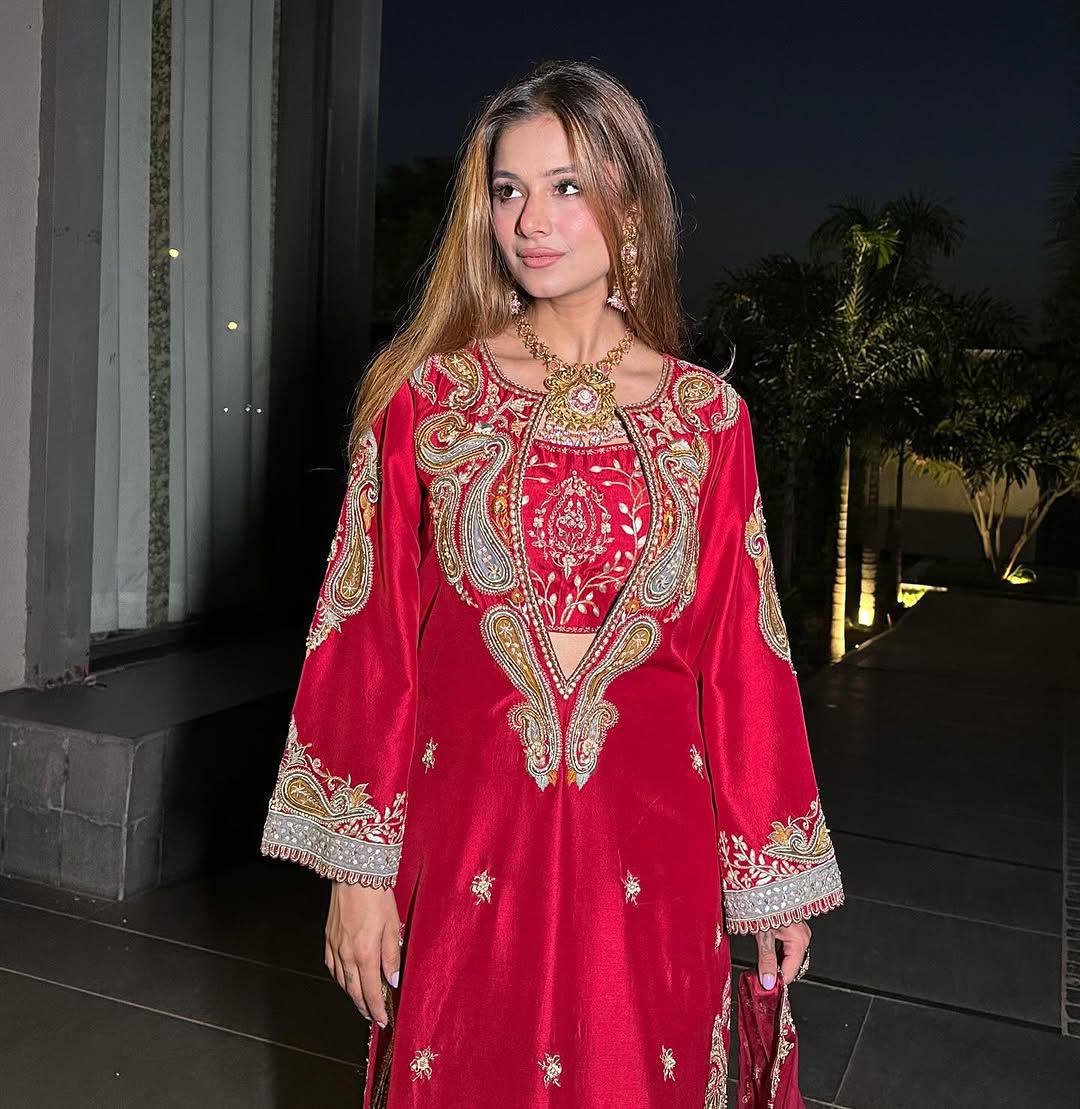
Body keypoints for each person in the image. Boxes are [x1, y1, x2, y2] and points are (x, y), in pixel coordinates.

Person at [259, 58, 844, 1108]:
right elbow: (367, 638)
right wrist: (357, 872)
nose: (530, 220)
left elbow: (742, 652)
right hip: (466, 848)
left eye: (566, 186)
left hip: (653, 858)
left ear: (632, 202)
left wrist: (774, 876)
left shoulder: (709, 420)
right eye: (507, 189)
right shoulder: (429, 400)